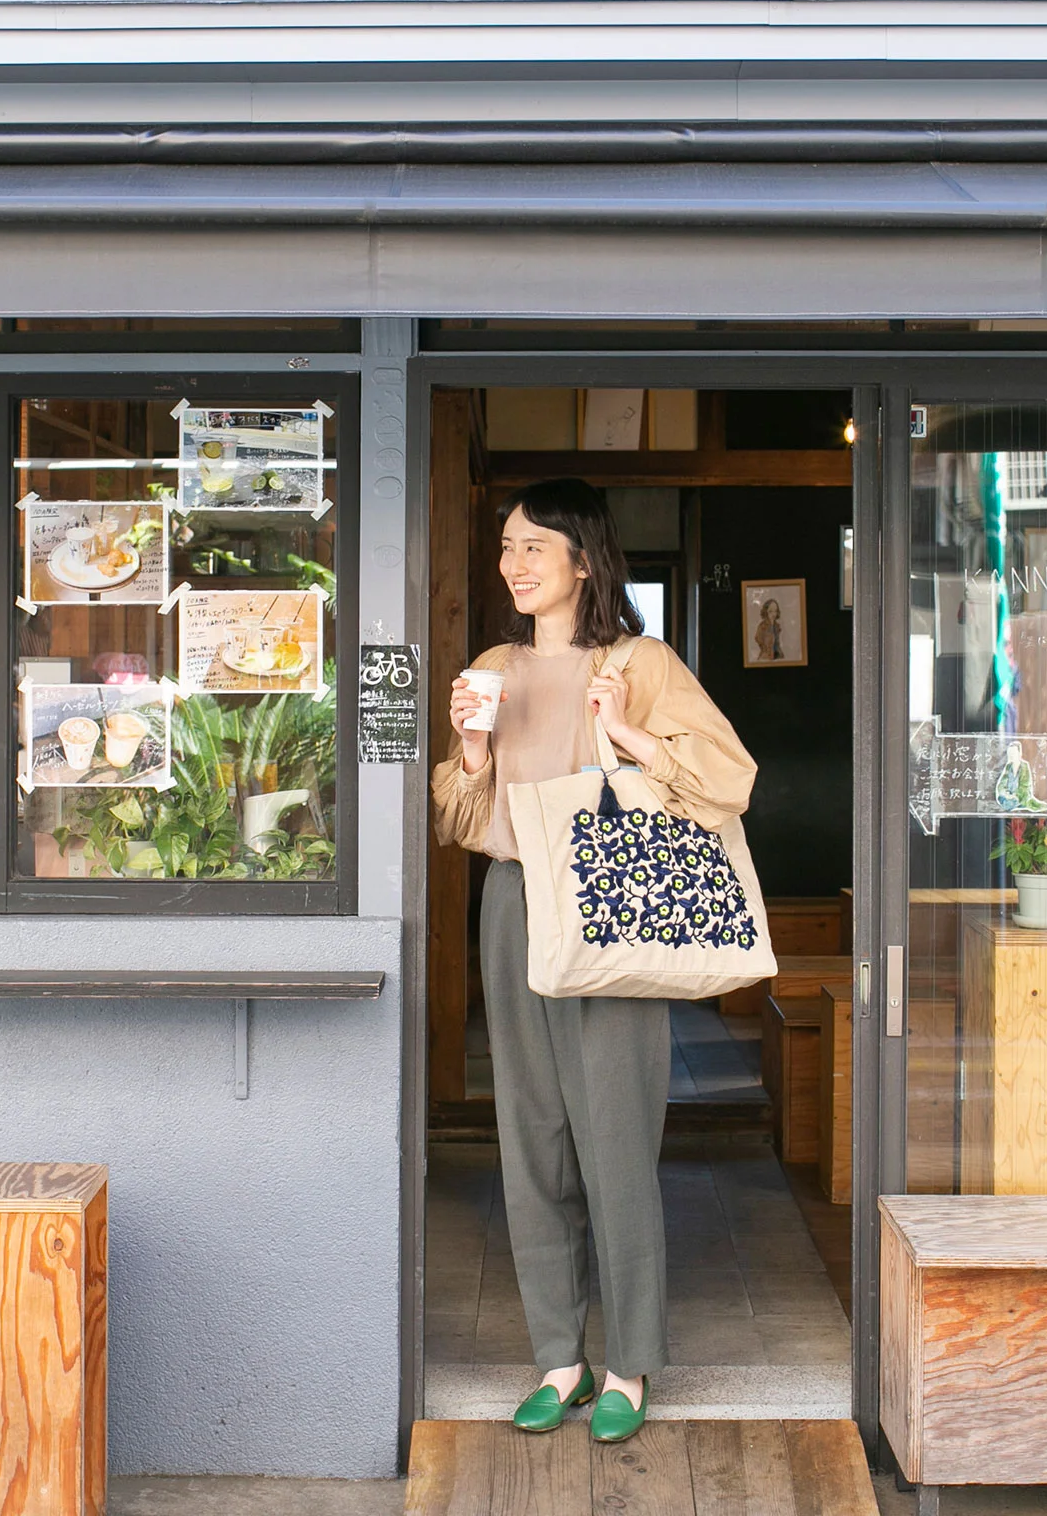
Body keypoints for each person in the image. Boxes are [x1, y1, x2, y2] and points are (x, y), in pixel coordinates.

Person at [431, 478, 756, 1445]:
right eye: (506, 546)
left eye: (533, 546)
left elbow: (731, 780)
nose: (513, 564)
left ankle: (629, 1365)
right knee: (531, 1140)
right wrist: (473, 752)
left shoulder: (639, 663)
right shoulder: (493, 667)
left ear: (583, 558)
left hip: (611, 902)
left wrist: (626, 733)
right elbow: (461, 820)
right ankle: (559, 1360)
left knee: (614, 1142)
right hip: (513, 903)